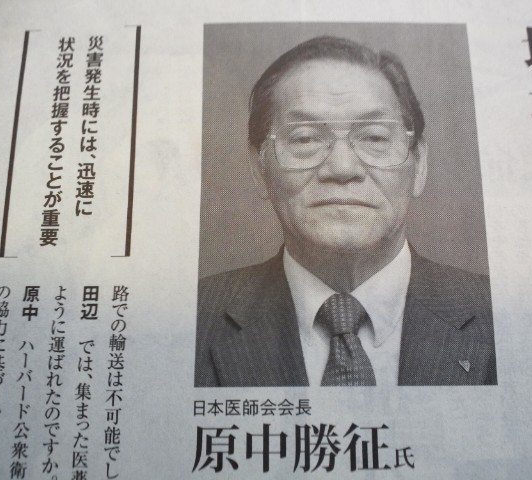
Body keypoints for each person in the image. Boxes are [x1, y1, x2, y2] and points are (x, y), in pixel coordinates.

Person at [195, 35, 496, 387]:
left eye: (374, 137)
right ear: (260, 169)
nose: (342, 168)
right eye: (305, 138)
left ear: (419, 164)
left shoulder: (499, 312)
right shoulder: (195, 315)